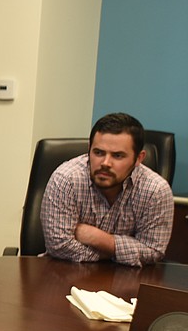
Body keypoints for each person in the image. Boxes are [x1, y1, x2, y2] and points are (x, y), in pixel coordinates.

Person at [40, 112, 173, 267]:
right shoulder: (66, 179)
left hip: (127, 280)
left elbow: (153, 251)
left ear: (138, 158)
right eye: (98, 152)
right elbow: (59, 246)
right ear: (89, 149)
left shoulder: (156, 191)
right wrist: (116, 254)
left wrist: (100, 239)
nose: (105, 163)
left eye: (117, 156)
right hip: (64, 273)